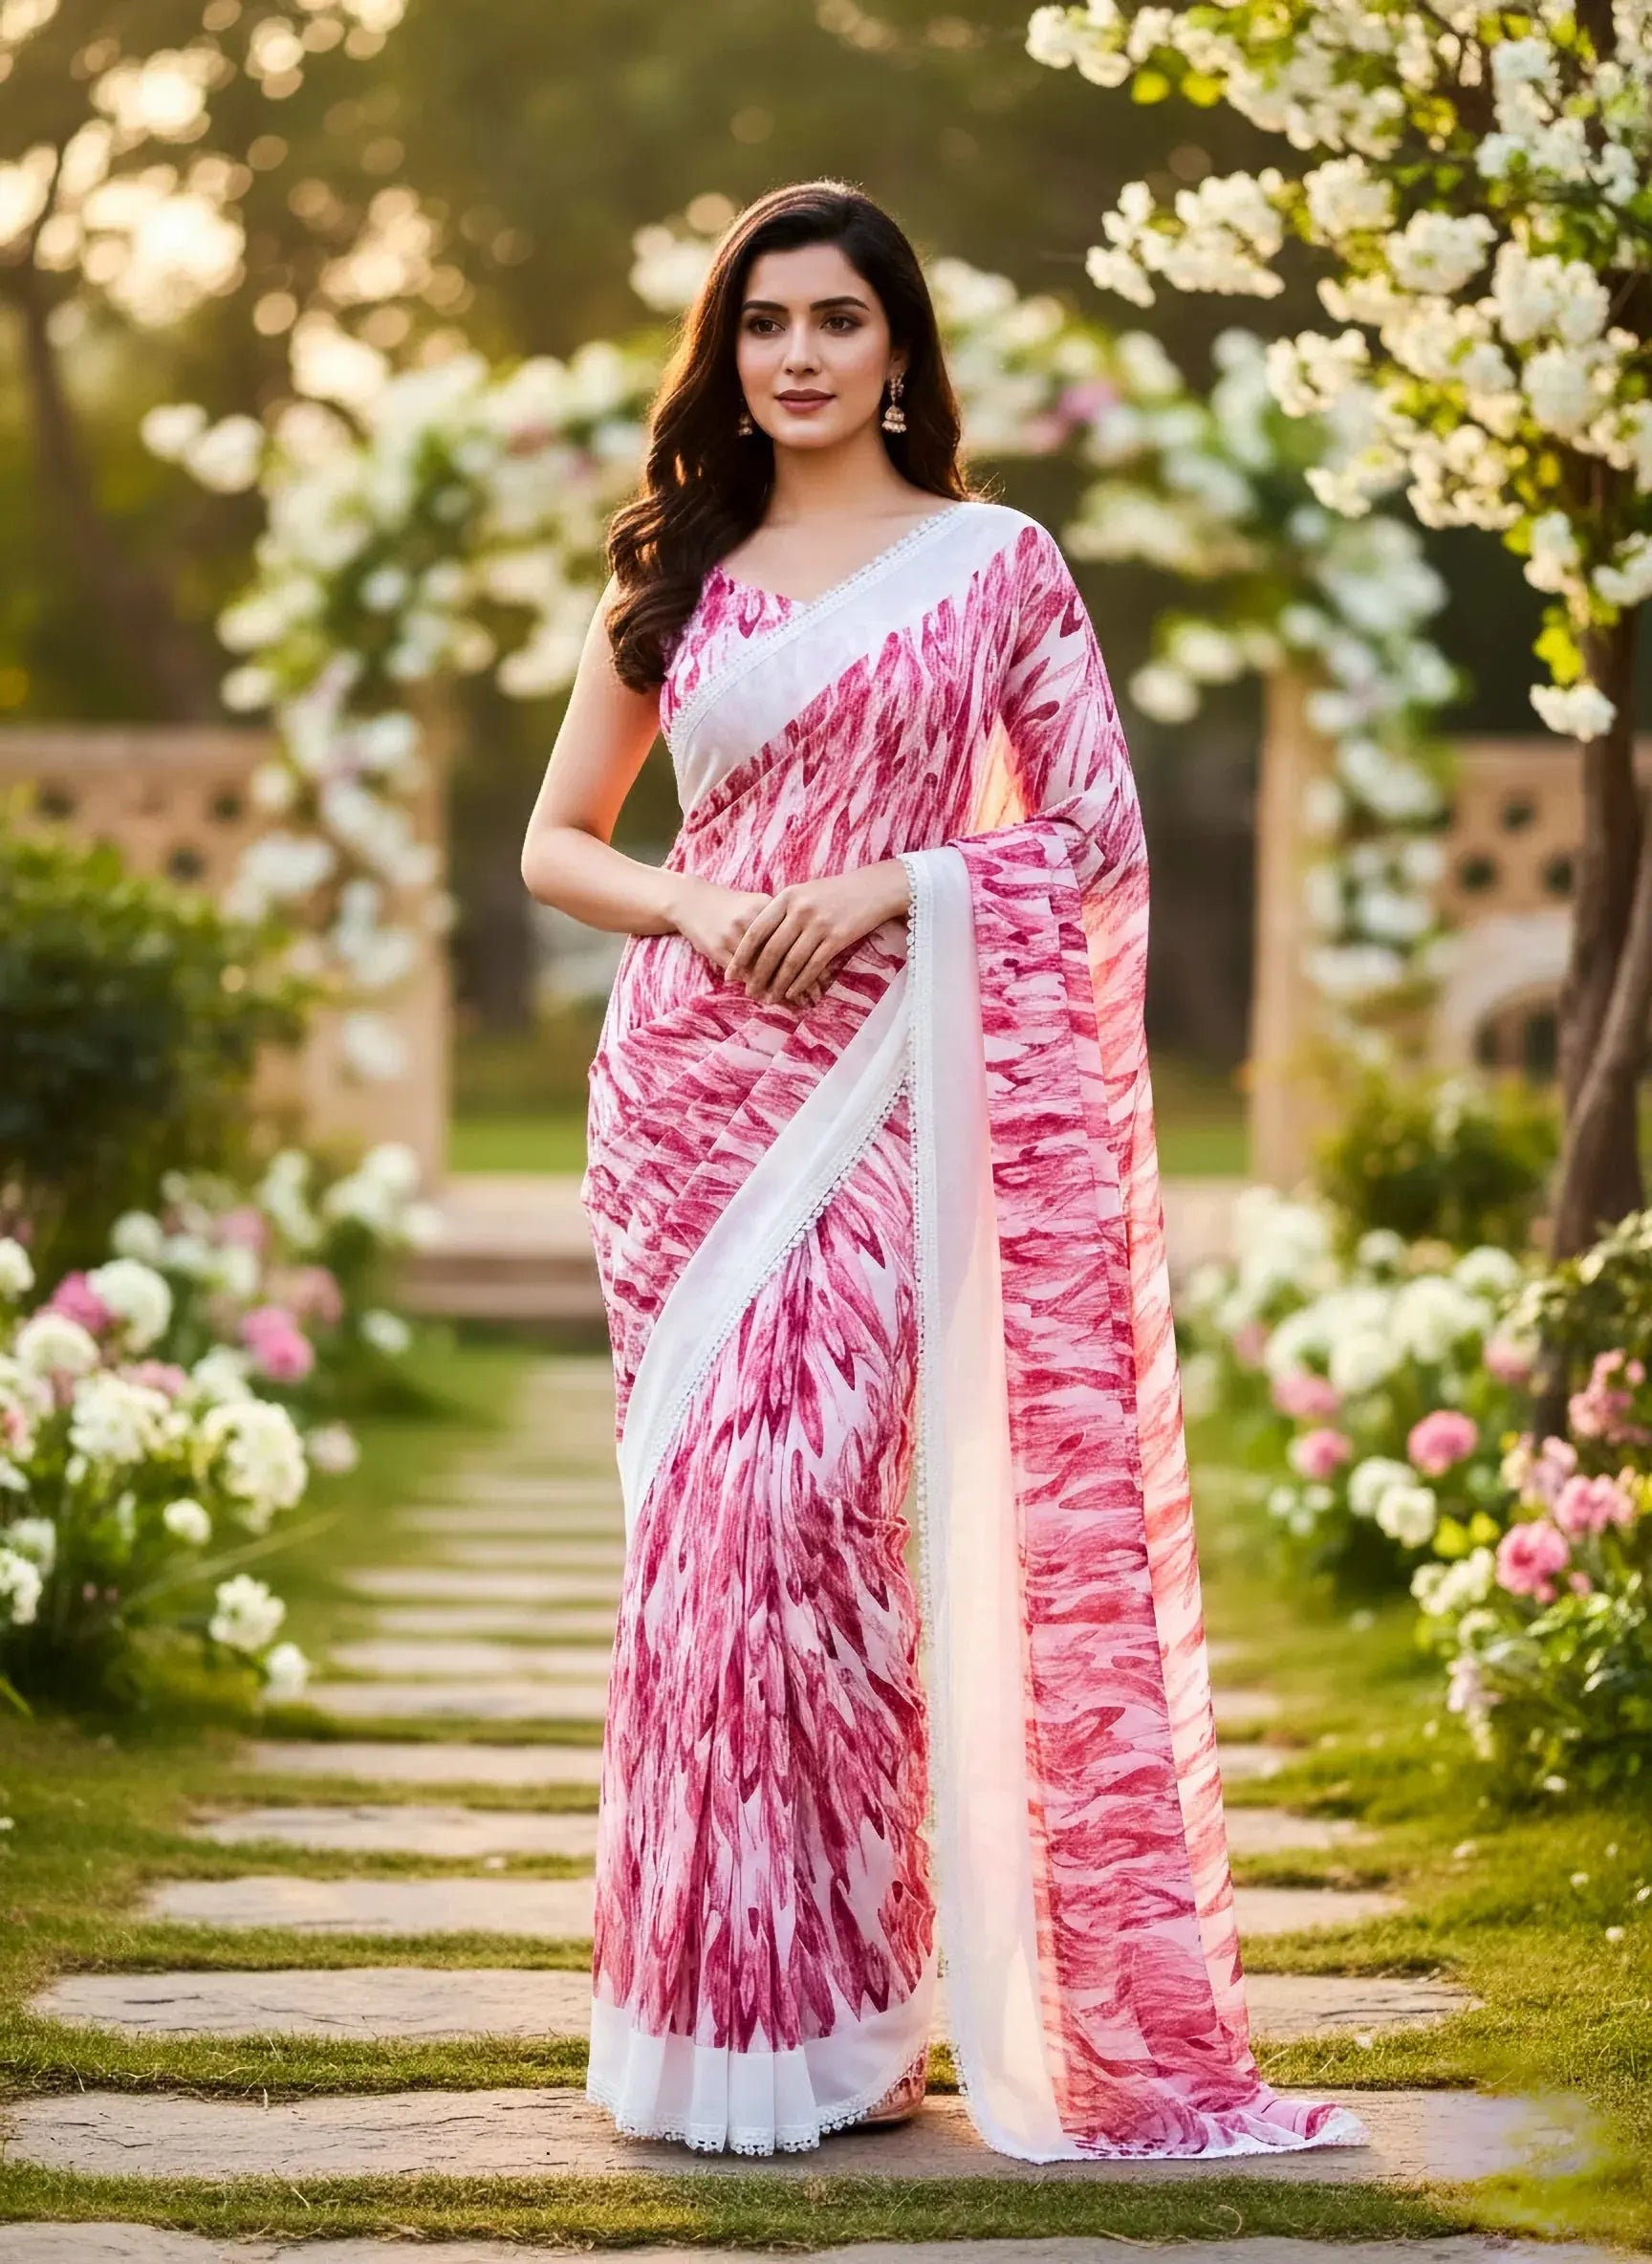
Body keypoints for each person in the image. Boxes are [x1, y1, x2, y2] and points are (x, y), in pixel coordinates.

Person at [520, 177, 1365, 2166]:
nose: (798, 355)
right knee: (708, 1553)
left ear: (901, 350)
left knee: (812, 1516)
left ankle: (844, 2003)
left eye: (837, 320)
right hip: (688, 1098)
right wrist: (702, 914)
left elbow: (1086, 834)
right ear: (726, 355)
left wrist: (896, 879)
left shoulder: (996, 562)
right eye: (763, 324)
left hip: (892, 1087)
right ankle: (723, 2017)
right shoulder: (680, 567)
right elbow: (558, 839)